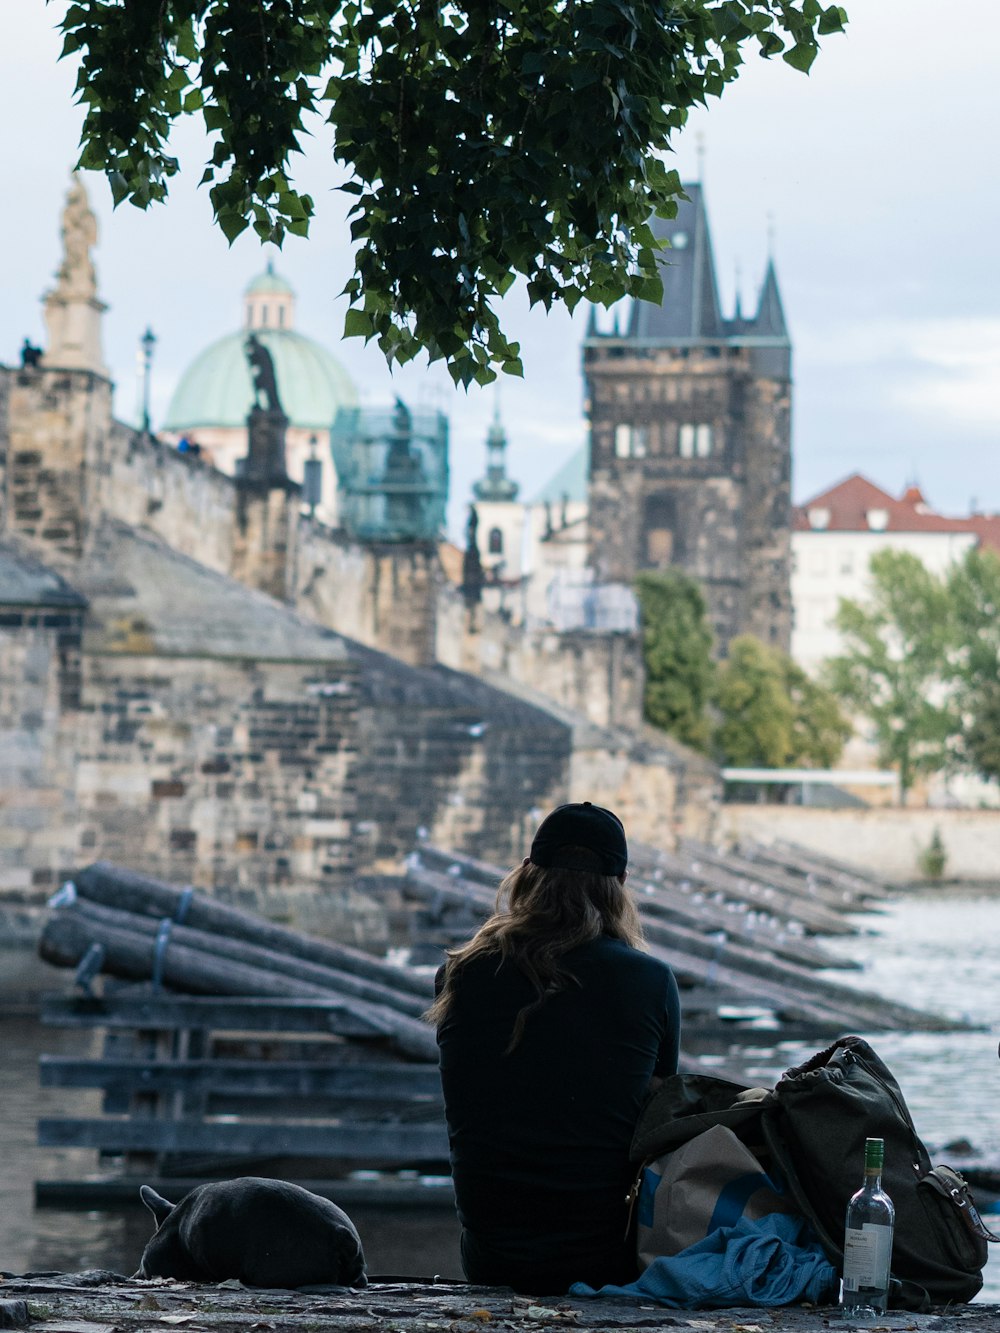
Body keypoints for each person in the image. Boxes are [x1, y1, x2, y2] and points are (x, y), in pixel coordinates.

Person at [428, 802, 681, 1295]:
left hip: (491, 1253)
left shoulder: (461, 973)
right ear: (621, 884)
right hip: (605, 1255)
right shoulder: (650, 981)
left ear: (526, 874)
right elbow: (658, 1111)